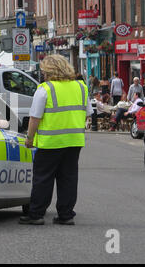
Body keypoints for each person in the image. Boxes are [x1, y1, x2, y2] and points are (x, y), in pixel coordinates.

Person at [20, 54, 93, 226]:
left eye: (44, 71)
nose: (43, 74)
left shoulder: (45, 89)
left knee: (43, 178)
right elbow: (89, 112)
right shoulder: (81, 87)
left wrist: (29, 138)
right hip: (74, 141)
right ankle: (66, 215)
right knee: (68, 178)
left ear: (50, 71)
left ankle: (36, 214)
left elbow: (34, 118)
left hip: (50, 142)